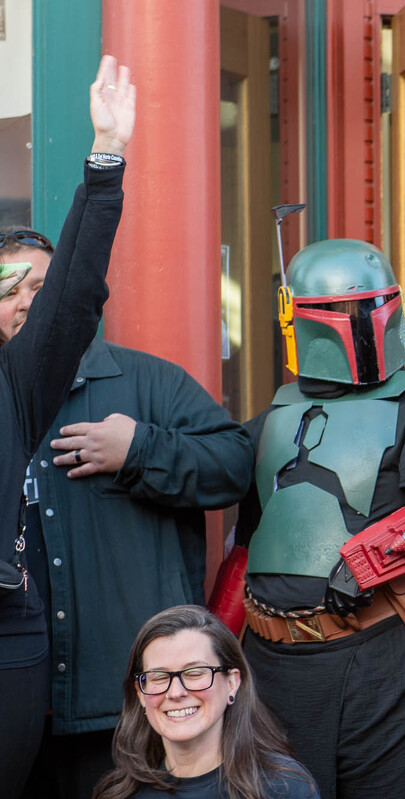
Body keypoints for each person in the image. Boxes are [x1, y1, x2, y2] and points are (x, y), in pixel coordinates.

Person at [233, 239, 405, 799]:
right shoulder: (276, 417)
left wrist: (373, 560)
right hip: (273, 665)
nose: (356, 323)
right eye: (338, 311)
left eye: (367, 307)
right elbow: (254, 538)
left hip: (394, 667)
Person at [6, 236, 254, 796]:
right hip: (17, 705)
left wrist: (138, 449)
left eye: (43, 288)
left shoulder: (149, 384)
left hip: (129, 705)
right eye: (9, 290)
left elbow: (235, 464)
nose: (25, 303)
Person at [0, 55, 134, 794]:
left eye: (31, 289)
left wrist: (106, 157)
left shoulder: (16, 381)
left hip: (7, 629)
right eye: (6, 286)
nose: (25, 299)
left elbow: (76, 289)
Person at [92, 604, 318, 799]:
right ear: (140, 694)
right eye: (159, 677)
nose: (176, 692)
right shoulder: (119, 794)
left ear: (232, 682)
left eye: (195, 673)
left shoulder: (284, 788)